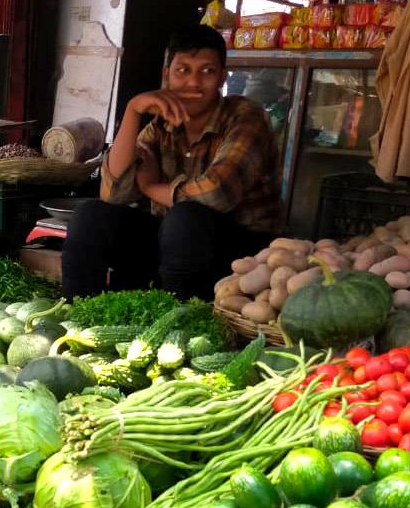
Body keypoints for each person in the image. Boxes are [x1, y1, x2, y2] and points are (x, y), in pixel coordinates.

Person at [61, 25, 283, 301]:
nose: (193, 82)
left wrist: (151, 187)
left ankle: (178, 320)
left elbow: (216, 193)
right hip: (177, 246)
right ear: (167, 76)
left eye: (207, 71)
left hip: (243, 256)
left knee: (185, 218)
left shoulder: (246, 117)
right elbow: (114, 192)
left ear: (222, 77)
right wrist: (133, 110)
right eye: (183, 71)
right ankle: (75, 313)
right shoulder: (160, 126)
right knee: (90, 215)